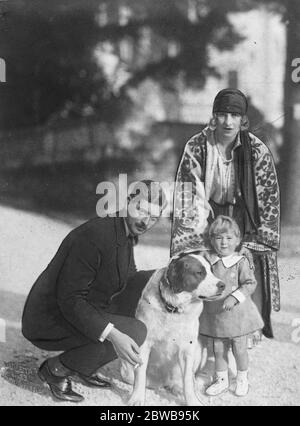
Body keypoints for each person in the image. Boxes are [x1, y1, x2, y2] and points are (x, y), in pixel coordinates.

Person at [22, 180, 167, 402]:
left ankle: (82, 366)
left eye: (153, 218)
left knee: (133, 308)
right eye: (141, 210)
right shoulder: (97, 234)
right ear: (127, 202)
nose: (145, 221)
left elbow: (129, 278)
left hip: (79, 310)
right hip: (50, 317)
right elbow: (70, 299)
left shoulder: (123, 230)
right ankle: (55, 370)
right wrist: (113, 334)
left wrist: (166, 274)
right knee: (135, 331)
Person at [171, 88, 280, 341]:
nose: (228, 122)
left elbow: (267, 196)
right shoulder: (197, 146)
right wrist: (199, 234)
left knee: (243, 268)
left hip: (245, 216)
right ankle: (205, 338)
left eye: (234, 115)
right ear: (213, 117)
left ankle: (242, 337)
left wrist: (257, 236)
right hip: (208, 214)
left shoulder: (257, 150)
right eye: (222, 114)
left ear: (244, 120)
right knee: (207, 267)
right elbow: (189, 191)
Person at [199, 216, 264, 397]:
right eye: (219, 238)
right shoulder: (209, 260)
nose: (224, 242)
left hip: (238, 315)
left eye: (228, 238)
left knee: (239, 348)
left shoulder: (240, 261)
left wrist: (235, 297)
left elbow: (250, 283)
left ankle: (242, 378)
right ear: (212, 240)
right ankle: (222, 380)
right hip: (216, 315)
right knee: (218, 348)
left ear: (237, 241)